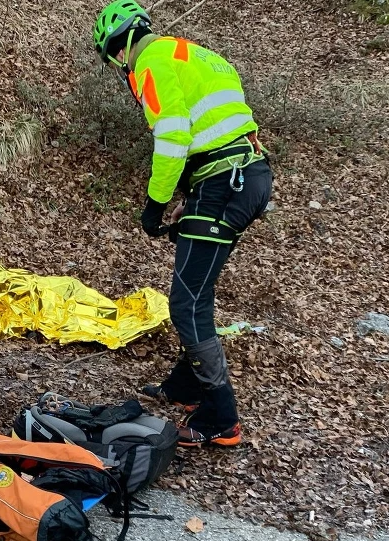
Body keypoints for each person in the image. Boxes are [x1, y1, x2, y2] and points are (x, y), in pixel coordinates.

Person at [92, 0, 274, 447]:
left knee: (187, 303)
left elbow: (173, 134)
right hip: (240, 176)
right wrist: (192, 199)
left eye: (115, 56)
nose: (120, 67)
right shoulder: (195, 54)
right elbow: (219, 132)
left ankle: (221, 416)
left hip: (224, 184)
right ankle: (185, 386)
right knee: (194, 290)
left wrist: (156, 203)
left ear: (121, 48)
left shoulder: (149, 61)